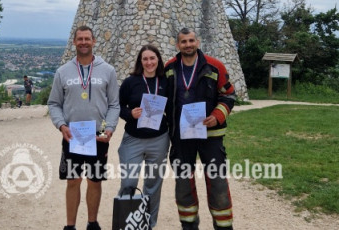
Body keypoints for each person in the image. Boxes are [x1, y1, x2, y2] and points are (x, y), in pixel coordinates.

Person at [48, 25, 120, 230]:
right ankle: (70, 226)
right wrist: (61, 125)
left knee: (95, 181)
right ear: (74, 42)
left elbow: (114, 104)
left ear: (94, 41)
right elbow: (54, 103)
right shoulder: (63, 71)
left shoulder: (108, 70)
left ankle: (92, 223)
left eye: (87, 39)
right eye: (80, 39)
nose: (83, 42)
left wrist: (110, 128)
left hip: (98, 135)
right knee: (73, 180)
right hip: (72, 134)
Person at [165, 28, 236, 230]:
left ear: (198, 41)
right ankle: (188, 226)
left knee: (217, 182)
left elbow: (229, 95)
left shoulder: (215, 66)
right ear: (177, 45)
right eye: (183, 41)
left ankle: (223, 226)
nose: (188, 44)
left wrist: (217, 116)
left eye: (191, 40)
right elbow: (162, 98)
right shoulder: (170, 68)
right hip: (182, 136)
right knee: (183, 183)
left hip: (211, 135)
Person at [118, 45, 170, 229]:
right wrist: (130, 114)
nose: (149, 62)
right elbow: (118, 106)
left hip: (159, 139)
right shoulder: (131, 82)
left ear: (158, 60)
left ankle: (149, 224)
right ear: (140, 61)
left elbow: (173, 108)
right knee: (129, 183)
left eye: (152, 58)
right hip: (133, 139)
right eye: (145, 59)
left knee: (153, 185)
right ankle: (126, 223)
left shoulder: (166, 81)